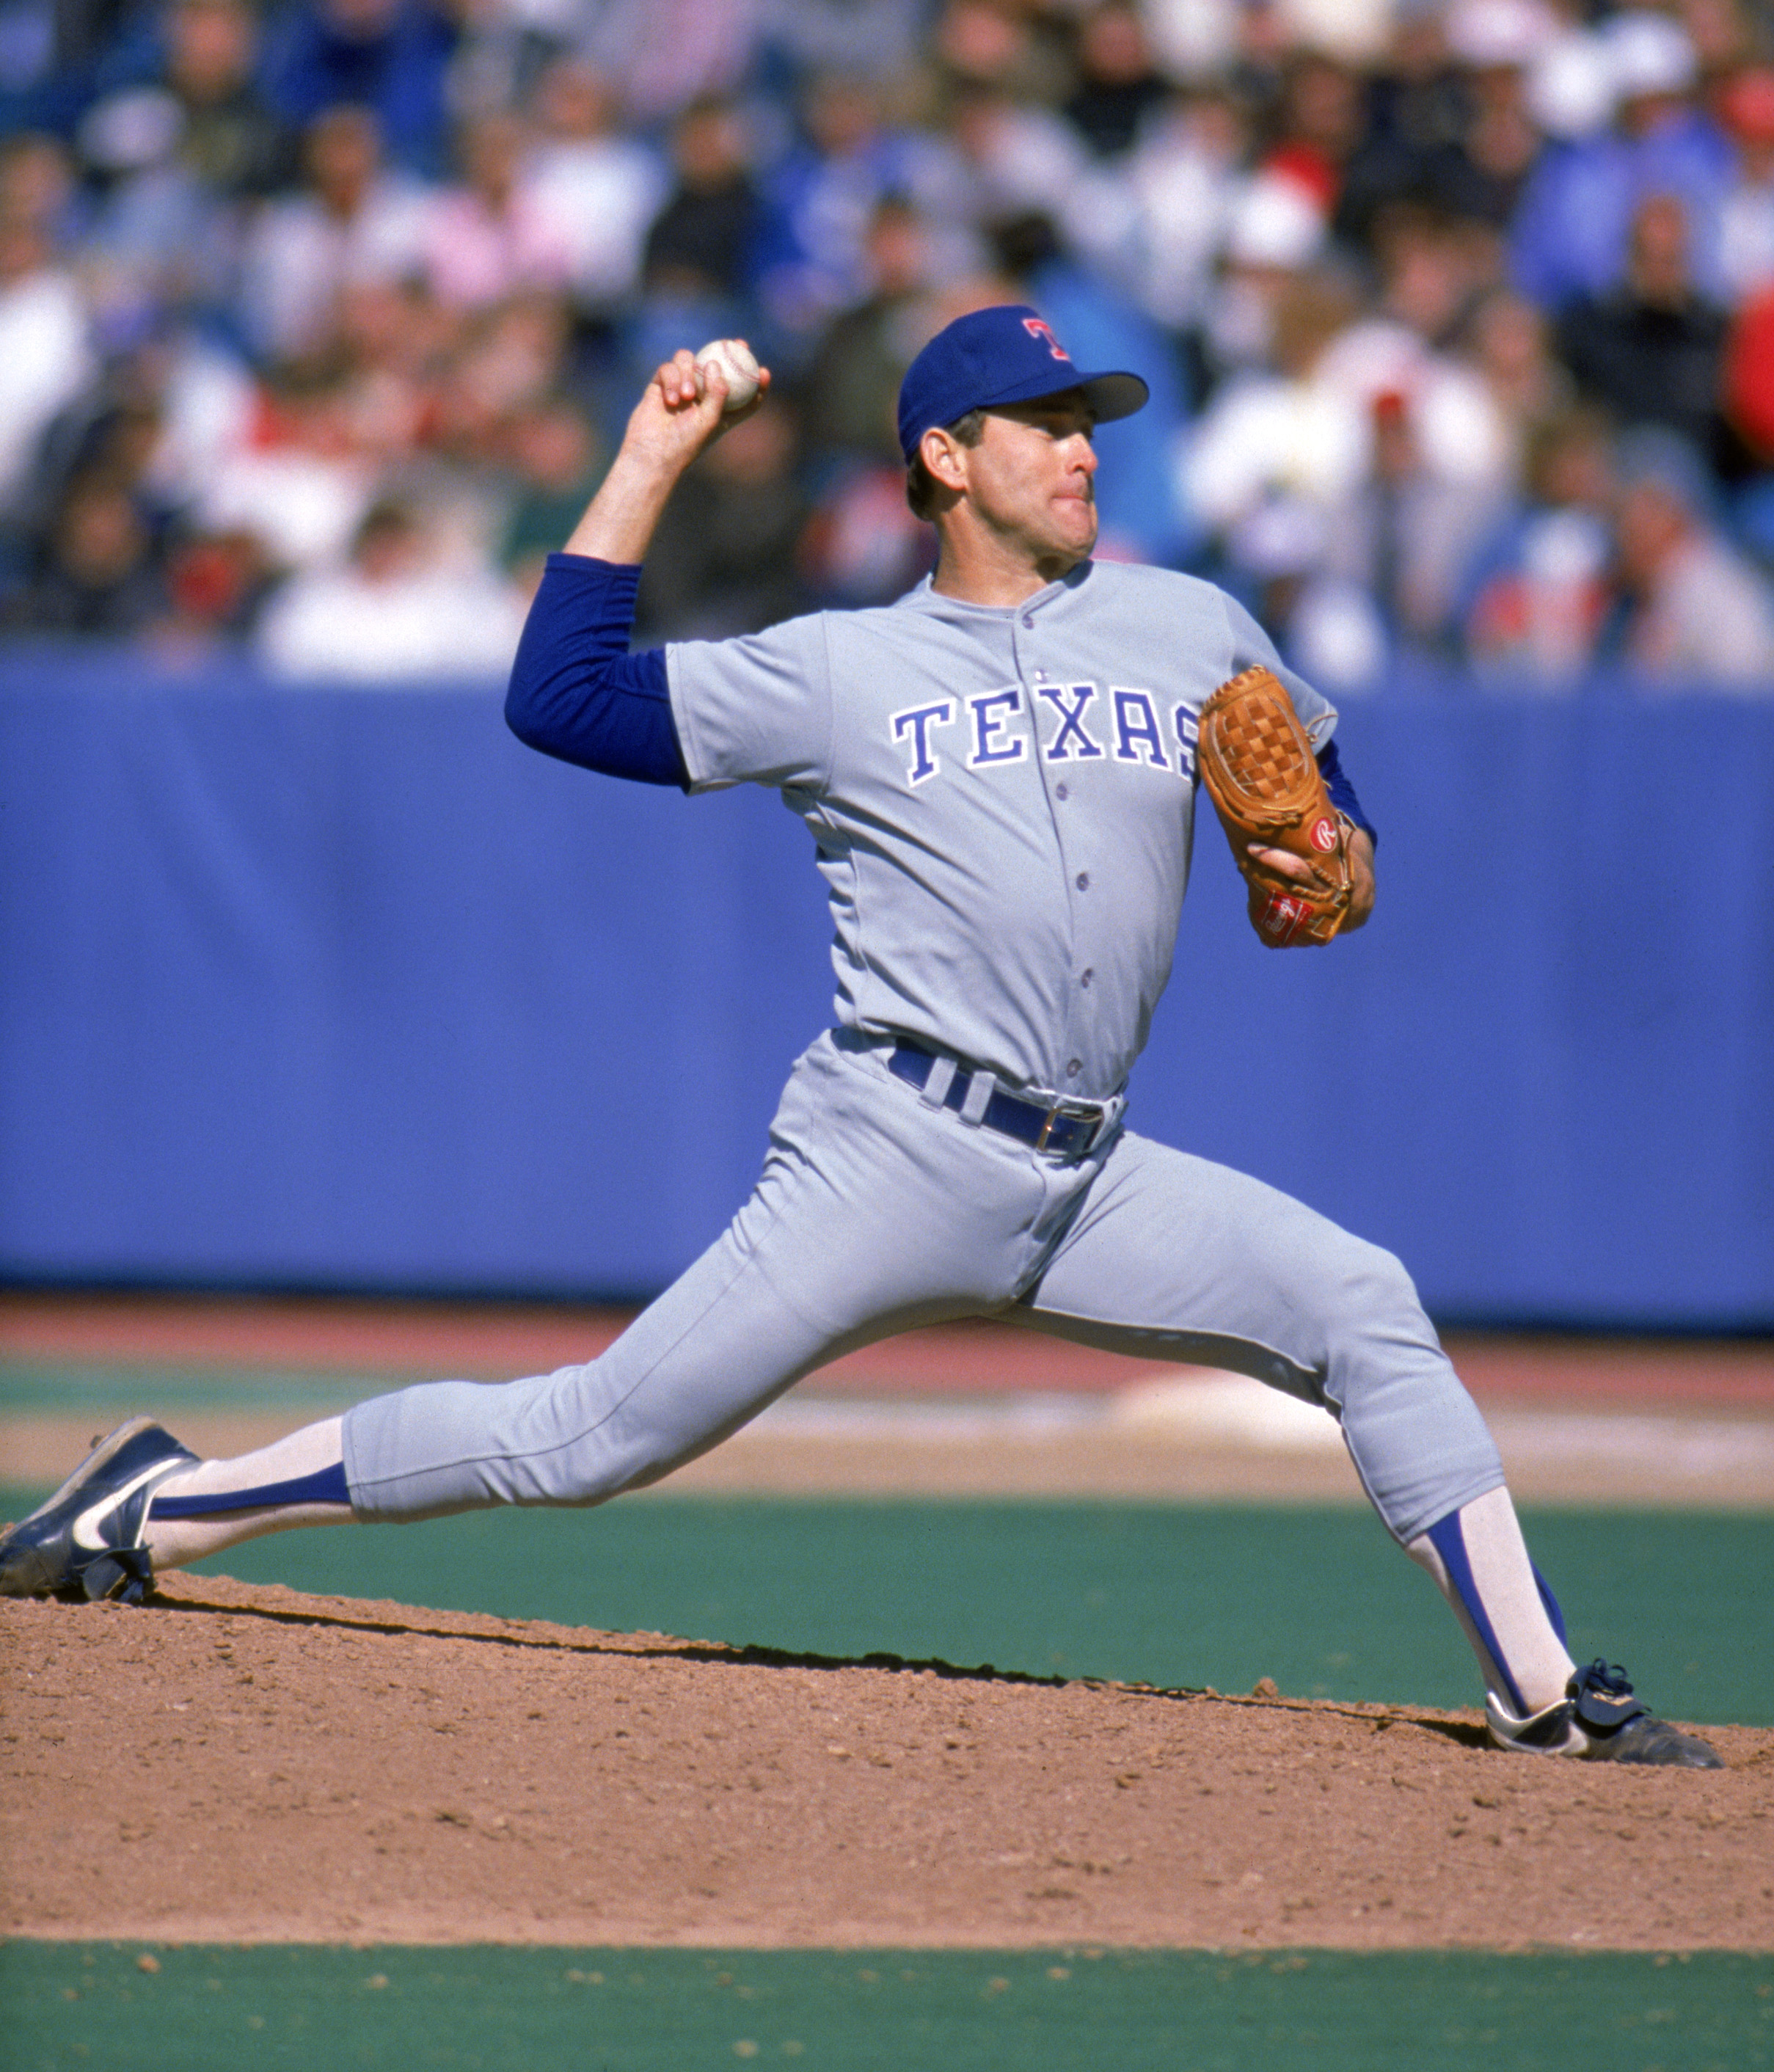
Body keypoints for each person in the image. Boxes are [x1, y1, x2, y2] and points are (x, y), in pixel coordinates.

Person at [0, 304, 1719, 1768]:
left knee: (1363, 1301)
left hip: (1090, 1169)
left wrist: (1332, 857)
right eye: (1045, 423)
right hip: (888, 1154)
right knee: (590, 1439)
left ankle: (1546, 1696)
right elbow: (561, 699)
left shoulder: (1193, 625)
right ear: (948, 459)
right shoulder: (838, 666)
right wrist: (655, 453)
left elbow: (1327, 820)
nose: (1084, 448)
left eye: (1092, 421)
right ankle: (157, 1501)